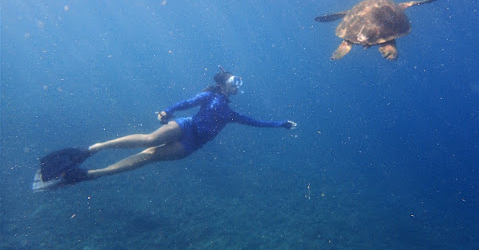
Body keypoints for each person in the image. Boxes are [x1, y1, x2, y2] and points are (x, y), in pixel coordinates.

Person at [33, 67, 297, 190]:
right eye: (234, 81)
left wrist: (280, 124)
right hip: (186, 126)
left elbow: (255, 122)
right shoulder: (210, 97)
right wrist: (168, 112)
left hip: (192, 143)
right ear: (224, 86)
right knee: (148, 139)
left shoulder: (230, 113)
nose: (237, 85)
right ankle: (90, 150)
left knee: (150, 156)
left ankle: (90, 174)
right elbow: (187, 102)